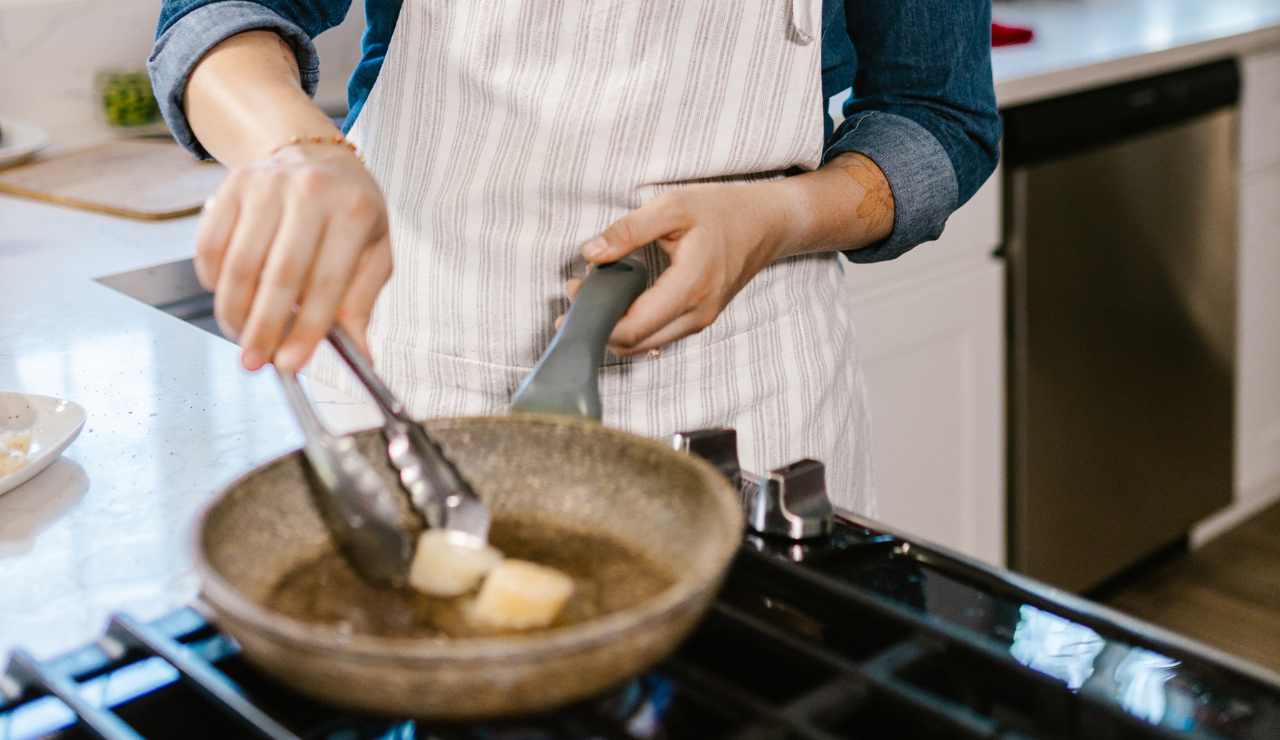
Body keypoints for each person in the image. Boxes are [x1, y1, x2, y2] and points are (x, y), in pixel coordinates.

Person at [149, 1, 1000, 514]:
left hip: (751, 406)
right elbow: (214, 13)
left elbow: (939, 114)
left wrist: (777, 216)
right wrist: (295, 149)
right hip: (420, 370)